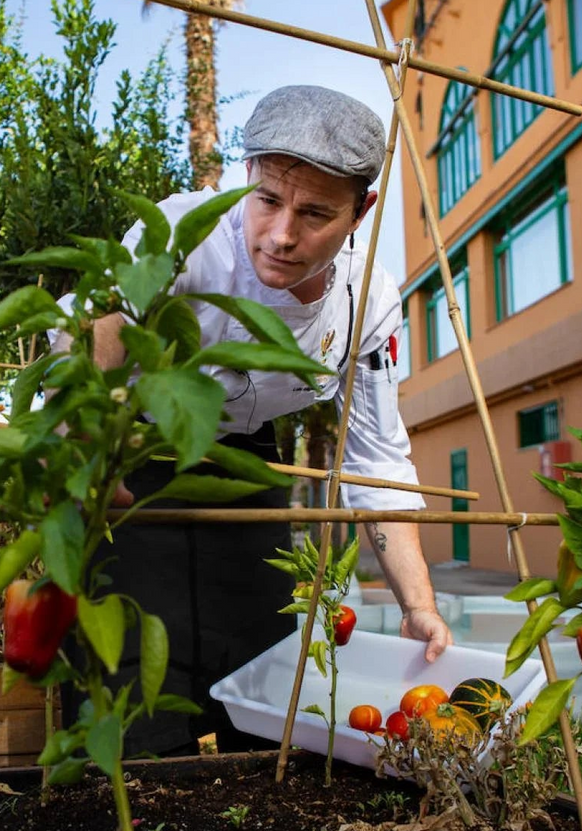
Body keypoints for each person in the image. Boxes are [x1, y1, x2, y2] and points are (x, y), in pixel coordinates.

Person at [50, 85, 452, 757]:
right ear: (247, 179)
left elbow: (377, 458)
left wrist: (419, 602)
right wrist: (82, 435)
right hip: (139, 453)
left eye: (316, 212)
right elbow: (97, 333)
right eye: (268, 199)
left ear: (363, 210)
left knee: (259, 672)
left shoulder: (368, 300)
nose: (281, 234)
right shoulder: (188, 234)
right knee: (128, 679)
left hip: (249, 465)